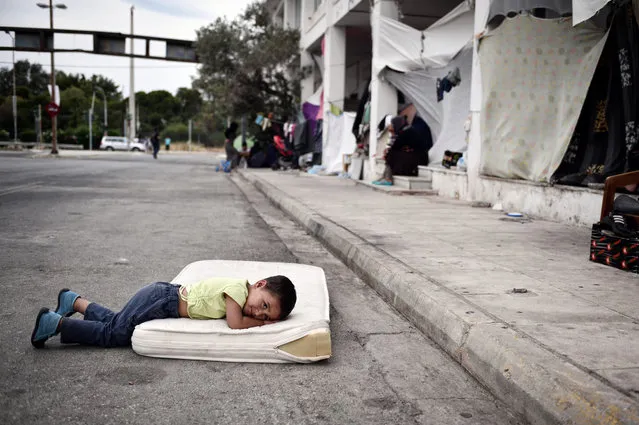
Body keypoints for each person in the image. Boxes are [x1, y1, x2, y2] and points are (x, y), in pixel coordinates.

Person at [31, 275, 297, 348]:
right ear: (259, 284)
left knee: (116, 323)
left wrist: (259, 319)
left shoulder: (242, 292)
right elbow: (235, 324)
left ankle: (74, 301)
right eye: (264, 305)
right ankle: (54, 324)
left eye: (265, 315)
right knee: (115, 335)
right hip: (162, 299)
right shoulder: (238, 290)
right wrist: (258, 325)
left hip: (161, 298)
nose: (258, 312)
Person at [373, 116, 424, 186]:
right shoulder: (409, 130)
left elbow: (395, 147)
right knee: (391, 153)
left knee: (390, 154)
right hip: (418, 158)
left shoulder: (405, 133)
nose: (392, 127)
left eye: (393, 125)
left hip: (416, 159)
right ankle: (385, 176)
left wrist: (387, 152)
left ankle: (388, 179)